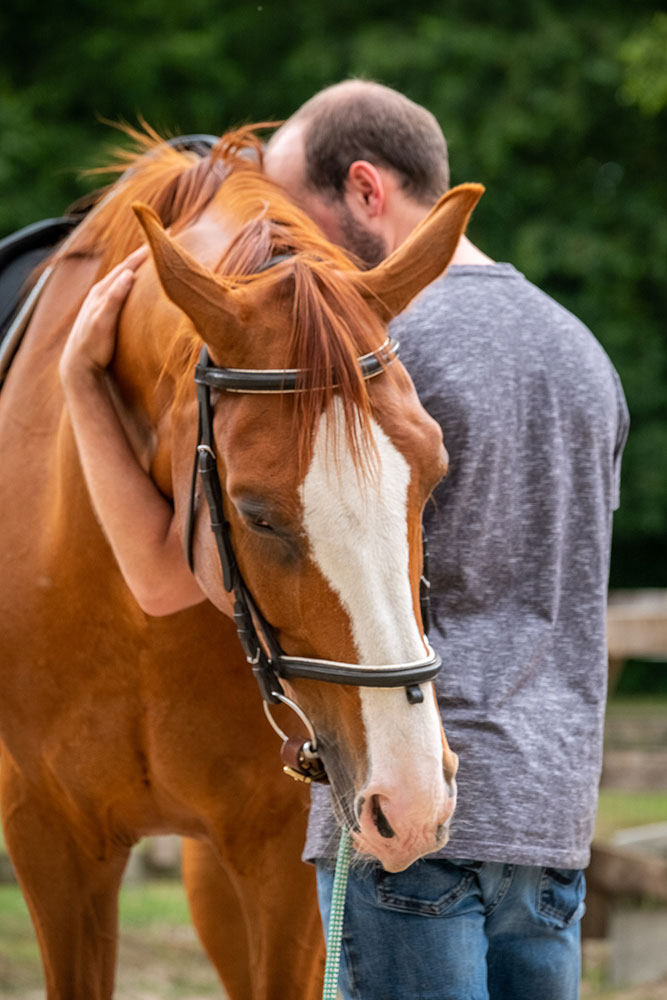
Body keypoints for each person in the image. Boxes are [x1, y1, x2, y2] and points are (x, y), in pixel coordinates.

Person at [61, 81, 629, 1000]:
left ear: (365, 191)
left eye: (288, 214)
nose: (276, 243)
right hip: (549, 824)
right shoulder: (581, 354)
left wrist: (82, 384)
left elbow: (169, 583)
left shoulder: (345, 358)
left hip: (403, 818)